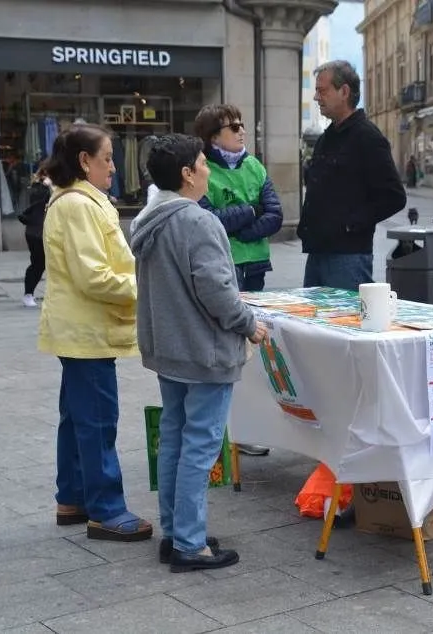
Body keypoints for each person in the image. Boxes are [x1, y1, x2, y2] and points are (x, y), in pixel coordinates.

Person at [130, 133, 267, 572]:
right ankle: (189, 542)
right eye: (204, 163)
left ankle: (176, 532)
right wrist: (249, 324)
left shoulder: (150, 218)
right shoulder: (197, 221)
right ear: (187, 174)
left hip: (169, 348)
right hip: (202, 351)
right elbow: (217, 290)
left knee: (174, 439)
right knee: (199, 446)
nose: (209, 169)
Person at [38, 123, 152, 542]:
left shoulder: (79, 201)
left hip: (81, 328)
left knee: (77, 417)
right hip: (87, 330)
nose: (113, 166)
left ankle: (72, 496)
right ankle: (105, 509)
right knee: (97, 420)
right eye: (107, 158)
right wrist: (146, 289)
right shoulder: (78, 205)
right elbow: (95, 277)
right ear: (84, 161)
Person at [193, 103, 282, 458]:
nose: (242, 131)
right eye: (233, 127)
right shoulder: (202, 171)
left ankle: (245, 428)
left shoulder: (255, 166)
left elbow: (275, 215)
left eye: (242, 125)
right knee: (222, 351)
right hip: (223, 270)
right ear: (213, 137)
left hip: (255, 266)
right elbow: (209, 218)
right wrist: (248, 212)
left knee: (249, 353)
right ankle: (219, 430)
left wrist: (241, 231)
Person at [298, 60, 407, 291]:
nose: (317, 97)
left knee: (345, 323)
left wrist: (350, 224)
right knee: (312, 325)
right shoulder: (326, 138)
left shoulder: (367, 137)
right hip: (318, 253)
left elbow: (394, 196)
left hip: (348, 257)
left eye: (322, 90)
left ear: (344, 91)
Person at [19, 168, 52, 307]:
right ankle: (28, 294)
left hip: (42, 231)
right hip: (37, 232)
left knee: (46, 264)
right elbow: (37, 204)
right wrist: (49, 186)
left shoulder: (47, 187)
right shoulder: (40, 188)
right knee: (38, 264)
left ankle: (34, 294)